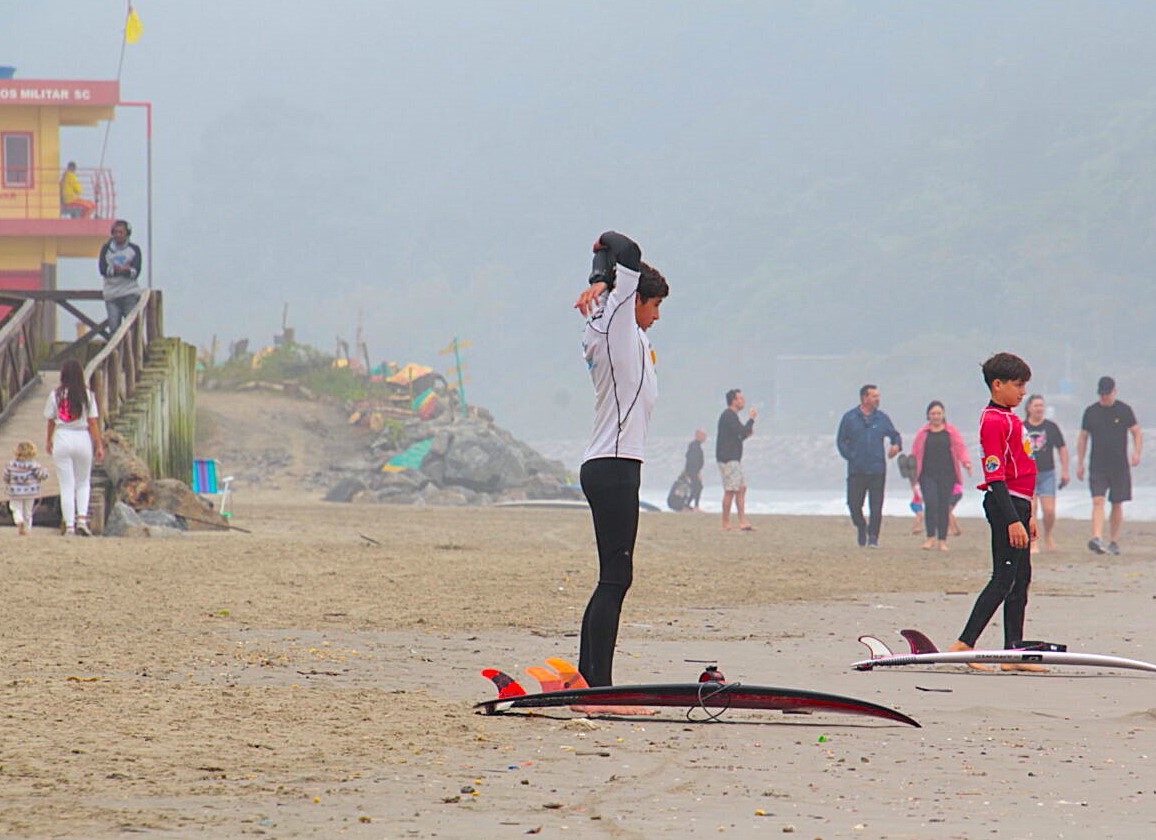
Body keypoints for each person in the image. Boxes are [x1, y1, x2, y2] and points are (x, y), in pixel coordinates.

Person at [572, 230, 668, 706]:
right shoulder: (617, 325)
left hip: (610, 464)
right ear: (636, 299)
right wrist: (602, 263)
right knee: (616, 577)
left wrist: (600, 284)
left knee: (612, 576)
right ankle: (598, 684)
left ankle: (589, 674)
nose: (656, 316)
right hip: (614, 466)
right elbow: (623, 248)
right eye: (654, 306)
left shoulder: (604, 324)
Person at [949, 352, 1043, 671]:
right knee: (1003, 578)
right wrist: (1014, 520)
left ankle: (1012, 651)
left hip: (1019, 504)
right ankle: (964, 644)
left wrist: (1028, 516)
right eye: (1018, 385)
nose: (1023, 392)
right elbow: (995, 476)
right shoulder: (993, 421)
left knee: (1021, 578)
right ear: (997, 384)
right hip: (1005, 505)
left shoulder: (1010, 417)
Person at [1077, 376, 1142, 555]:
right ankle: (1096, 537)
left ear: (1114, 392)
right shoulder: (1091, 412)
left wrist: (1136, 453)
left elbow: (1136, 431)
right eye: (1103, 395)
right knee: (1098, 500)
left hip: (1120, 465)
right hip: (1097, 464)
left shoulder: (1124, 410)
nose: (1105, 398)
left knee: (1117, 502)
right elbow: (1083, 437)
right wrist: (1080, 463)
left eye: (1108, 394)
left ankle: (1113, 540)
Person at [44, 359, 105, 537]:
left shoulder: (55, 395)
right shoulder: (87, 395)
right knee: (83, 482)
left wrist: (49, 440)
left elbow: (50, 420)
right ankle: (82, 519)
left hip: (62, 436)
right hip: (82, 437)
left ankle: (69, 525)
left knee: (66, 484)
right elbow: (92, 422)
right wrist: (99, 444)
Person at [836, 384, 901, 547]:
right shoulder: (850, 417)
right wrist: (851, 456)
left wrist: (896, 446)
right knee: (853, 504)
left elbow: (895, 435)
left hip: (877, 468)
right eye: (874, 396)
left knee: (876, 505)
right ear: (864, 398)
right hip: (857, 469)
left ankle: (873, 537)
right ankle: (861, 526)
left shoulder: (882, 418)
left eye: (878, 396)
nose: (877, 399)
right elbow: (841, 441)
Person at [911, 401, 973, 552]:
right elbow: (915, 454)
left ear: (943, 415)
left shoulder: (951, 432)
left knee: (943, 506)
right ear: (928, 415)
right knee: (931, 504)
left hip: (947, 474)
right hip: (927, 475)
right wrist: (912, 473)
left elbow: (961, 449)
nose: (936, 416)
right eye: (933, 413)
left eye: (939, 413)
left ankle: (942, 540)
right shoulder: (923, 433)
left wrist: (966, 463)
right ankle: (930, 537)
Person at [1023, 395, 1070, 551]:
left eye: (1041, 405)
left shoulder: (1051, 427)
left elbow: (1062, 448)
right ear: (1029, 408)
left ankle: (1048, 535)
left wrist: (1065, 470)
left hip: (1047, 473)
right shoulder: (1021, 427)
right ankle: (1033, 541)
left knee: (1049, 510)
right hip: (1027, 474)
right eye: (1036, 405)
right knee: (1032, 509)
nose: (1039, 408)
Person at [716, 389, 758, 531]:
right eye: (740, 398)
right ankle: (725, 523)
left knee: (741, 488)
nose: (743, 401)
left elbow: (739, 435)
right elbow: (741, 431)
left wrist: (747, 433)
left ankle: (742, 520)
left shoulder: (732, 417)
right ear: (734, 401)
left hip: (734, 457)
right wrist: (751, 419)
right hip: (728, 458)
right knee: (730, 490)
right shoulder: (728, 415)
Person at [98, 220, 143, 334]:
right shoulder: (106, 249)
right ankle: (117, 352)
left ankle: (133, 351)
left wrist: (123, 270)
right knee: (114, 329)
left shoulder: (134, 250)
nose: (118, 235)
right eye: (116, 232)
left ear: (127, 234)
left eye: (121, 232)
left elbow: (135, 271)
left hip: (129, 293)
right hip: (111, 295)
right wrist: (121, 270)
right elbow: (103, 269)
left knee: (132, 328)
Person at [4, 440, 50, 536]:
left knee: (15, 508)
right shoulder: (35, 465)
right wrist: (45, 472)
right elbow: (42, 475)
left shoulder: (10, 465)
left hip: (15, 492)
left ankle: (19, 520)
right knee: (28, 512)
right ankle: (27, 529)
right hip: (30, 492)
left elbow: (6, 477)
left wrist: (8, 484)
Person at [684, 429, 706, 510]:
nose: (705, 438)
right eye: (703, 435)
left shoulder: (697, 445)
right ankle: (694, 506)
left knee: (696, 487)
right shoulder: (694, 446)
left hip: (694, 470)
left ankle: (688, 504)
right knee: (697, 487)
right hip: (693, 471)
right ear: (697, 435)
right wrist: (697, 472)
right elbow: (692, 460)